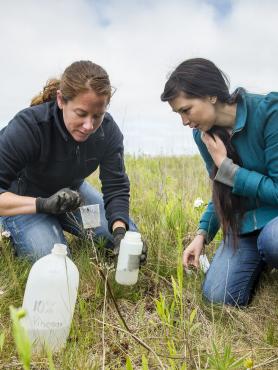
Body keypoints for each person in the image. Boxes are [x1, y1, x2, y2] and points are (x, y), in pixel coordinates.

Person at [0, 60, 146, 264]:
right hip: (24, 201)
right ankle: (16, 231)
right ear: (61, 100)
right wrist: (43, 205)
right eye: (81, 114)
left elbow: (116, 187)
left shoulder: (108, 132)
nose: (89, 125)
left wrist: (120, 233)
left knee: (130, 240)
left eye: (98, 115)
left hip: (72, 196)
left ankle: (64, 224)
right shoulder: (29, 127)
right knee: (54, 262)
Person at [161, 58, 278, 306]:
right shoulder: (202, 135)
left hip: (275, 220)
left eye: (186, 109)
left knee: (274, 240)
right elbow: (220, 190)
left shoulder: (270, 113)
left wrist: (229, 169)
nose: (184, 121)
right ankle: (261, 261)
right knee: (218, 296)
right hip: (245, 227)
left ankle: (268, 251)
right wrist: (202, 233)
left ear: (211, 96)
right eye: (178, 113)